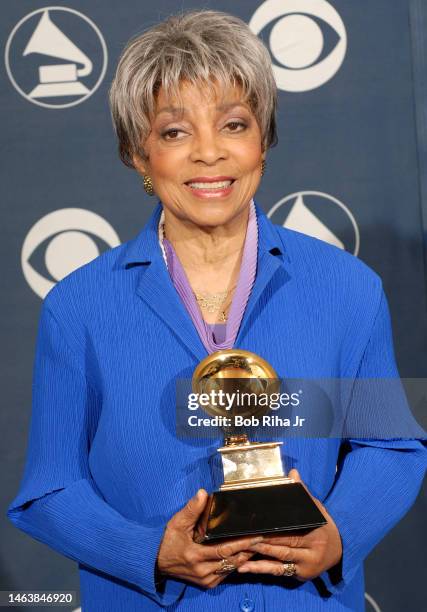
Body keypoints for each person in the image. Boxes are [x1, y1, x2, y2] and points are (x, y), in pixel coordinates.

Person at [7, 9, 426, 612]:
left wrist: (339, 535)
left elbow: (389, 446)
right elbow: (49, 490)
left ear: (264, 140)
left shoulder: (347, 289)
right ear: (137, 153)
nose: (210, 154)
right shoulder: (79, 308)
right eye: (175, 132)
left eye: (233, 124)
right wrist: (149, 550)